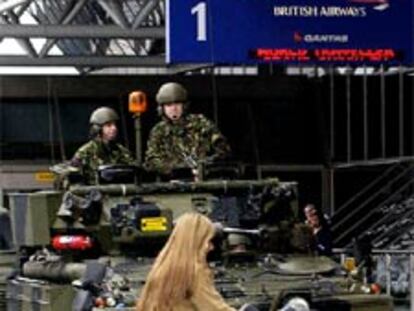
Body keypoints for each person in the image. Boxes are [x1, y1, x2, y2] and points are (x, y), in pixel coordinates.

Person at [136, 212, 236, 311]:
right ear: (196, 241)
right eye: (208, 241)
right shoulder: (195, 272)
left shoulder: (160, 268)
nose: (211, 247)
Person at [144, 82, 231, 177]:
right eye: (169, 105)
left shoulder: (201, 124)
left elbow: (223, 151)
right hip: (172, 182)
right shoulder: (158, 131)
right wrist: (179, 168)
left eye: (177, 104)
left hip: (205, 178)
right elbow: (151, 161)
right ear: (162, 109)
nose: (174, 109)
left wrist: (203, 165)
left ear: (184, 106)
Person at [71, 106, 135, 184]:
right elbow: (75, 181)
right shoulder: (85, 152)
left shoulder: (122, 151)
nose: (114, 128)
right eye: (109, 125)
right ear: (98, 129)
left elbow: (134, 172)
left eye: (114, 125)